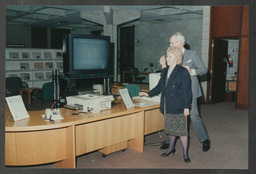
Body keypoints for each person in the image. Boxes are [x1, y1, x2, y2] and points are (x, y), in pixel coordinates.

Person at [159, 32, 210, 152]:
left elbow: (203, 70)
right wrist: (163, 65)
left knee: (194, 115)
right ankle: (169, 142)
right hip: (174, 92)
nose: (170, 44)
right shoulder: (170, 54)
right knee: (172, 115)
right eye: (170, 43)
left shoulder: (192, 54)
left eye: (172, 42)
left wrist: (191, 70)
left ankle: (205, 140)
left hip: (189, 90)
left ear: (180, 43)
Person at [139, 47, 192, 163]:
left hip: (179, 105)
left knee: (182, 131)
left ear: (177, 58)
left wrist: (187, 107)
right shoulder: (165, 71)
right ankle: (171, 148)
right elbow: (159, 87)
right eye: (167, 56)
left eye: (169, 56)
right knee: (171, 130)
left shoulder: (183, 71)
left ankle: (185, 154)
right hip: (168, 105)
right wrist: (147, 94)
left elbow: (187, 91)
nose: (167, 58)